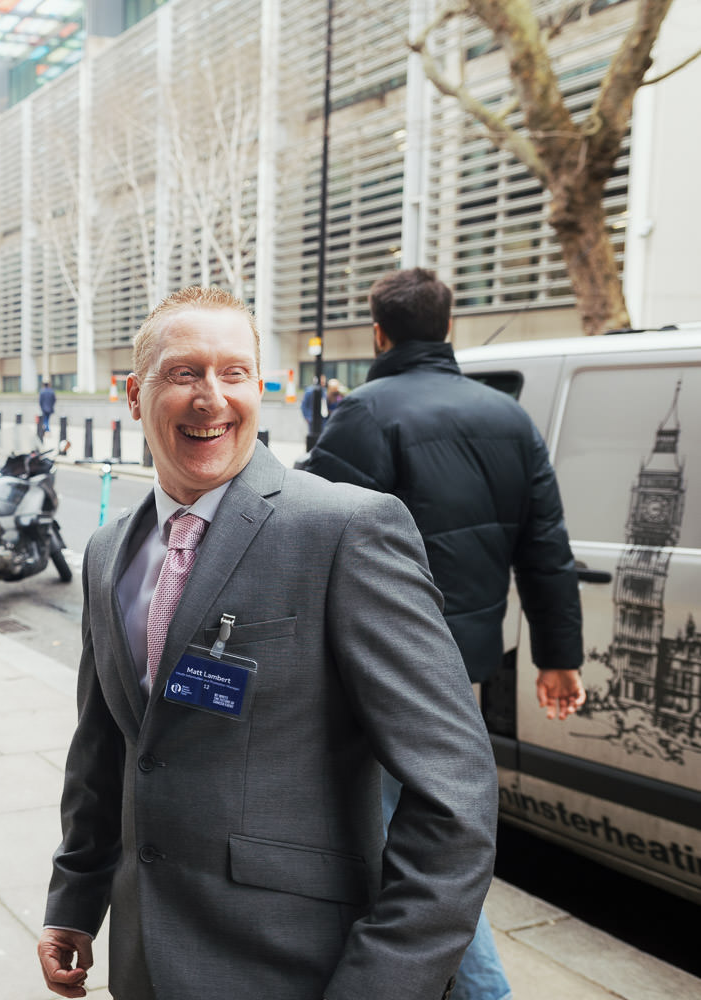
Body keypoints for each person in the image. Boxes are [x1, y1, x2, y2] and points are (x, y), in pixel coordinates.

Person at [37, 286, 496, 1000]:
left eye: (234, 373)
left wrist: (382, 983)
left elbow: (455, 795)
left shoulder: (346, 531)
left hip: (296, 968)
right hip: (144, 960)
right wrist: (75, 899)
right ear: (133, 395)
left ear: (261, 389)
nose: (210, 398)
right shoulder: (107, 552)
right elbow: (107, 747)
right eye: (184, 373)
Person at [302, 267, 586, 1000]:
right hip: (464, 669)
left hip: (386, 668)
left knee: (417, 849)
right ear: (449, 326)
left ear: (378, 332)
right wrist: (558, 659)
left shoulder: (365, 413)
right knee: (439, 832)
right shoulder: (509, 419)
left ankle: (479, 991)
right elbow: (547, 547)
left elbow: (306, 537)